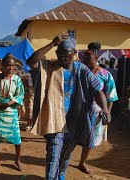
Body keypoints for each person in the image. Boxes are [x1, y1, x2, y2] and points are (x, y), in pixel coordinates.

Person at [27, 33, 110, 180]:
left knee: (65, 156)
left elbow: (97, 91)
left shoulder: (82, 70)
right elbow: (31, 62)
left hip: (75, 121)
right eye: (60, 53)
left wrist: (104, 109)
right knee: (53, 155)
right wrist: (52, 44)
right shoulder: (49, 67)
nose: (63, 56)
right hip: (54, 120)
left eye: (67, 53)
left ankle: (61, 177)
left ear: (74, 53)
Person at [77, 43, 118, 174]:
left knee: (90, 139)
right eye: (84, 57)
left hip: (97, 112)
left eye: (88, 57)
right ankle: (63, 159)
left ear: (95, 57)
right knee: (72, 137)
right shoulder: (81, 72)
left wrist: (108, 112)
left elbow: (111, 95)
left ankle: (82, 162)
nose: (84, 60)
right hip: (78, 110)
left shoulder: (105, 75)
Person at [0, 53, 24, 173]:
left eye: (12, 66)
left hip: (11, 112)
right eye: (8, 65)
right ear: (2, 66)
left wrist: (8, 104)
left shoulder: (17, 79)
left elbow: (20, 94)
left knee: (16, 139)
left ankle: (17, 160)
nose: (10, 68)